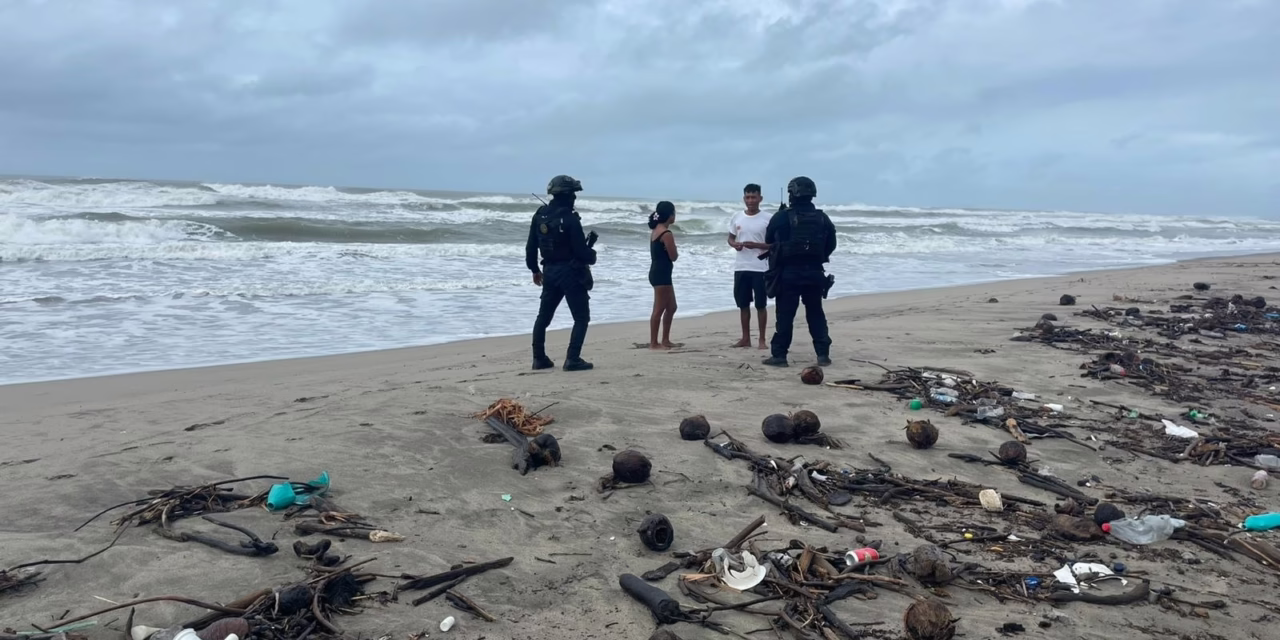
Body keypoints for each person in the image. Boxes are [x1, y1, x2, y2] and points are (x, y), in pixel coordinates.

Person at [761, 176, 836, 367]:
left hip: (788, 273)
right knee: (815, 312)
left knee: (785, 315)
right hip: (814, 272)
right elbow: (831, 245)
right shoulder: (822, 217)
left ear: (792, 194)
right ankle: (823, 355)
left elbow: (769, 239)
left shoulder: (781, 217)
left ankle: (779, 356)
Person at [526, 174, 597, 371]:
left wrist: (534, 269)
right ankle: (572, 359)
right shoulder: (570, 219)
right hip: (571, 273)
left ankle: (539, 358)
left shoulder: (540, 214)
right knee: (581, 318)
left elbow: (531, 246)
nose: (575, 198)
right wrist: (592, 255)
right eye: (573, 193)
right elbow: (581, 253)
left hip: (549, 272)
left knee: (543, 317)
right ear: (567, 195)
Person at [727, 183, 772, 349]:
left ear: (760, 198)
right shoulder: (737, 217)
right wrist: (734, 244)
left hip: (760, 267)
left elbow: (774, 244)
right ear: (743, 198)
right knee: (743, 304)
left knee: (761, 305)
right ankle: (745, 338)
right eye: (748, 197)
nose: (751, 200)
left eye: (754, 197)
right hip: (741, 267)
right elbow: (730, 237)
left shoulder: (768, 218)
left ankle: (762, 339)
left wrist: (757, 245)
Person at [647, 201, 679, 350]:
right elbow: (673, 256)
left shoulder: (656, 229)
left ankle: (665, 339)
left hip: (659, 272)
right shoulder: (666, 233)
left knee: (671, 307)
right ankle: (654, 342)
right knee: (659, 309)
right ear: (670, 215)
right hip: (661, 274)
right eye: (674, 213)